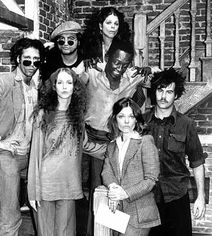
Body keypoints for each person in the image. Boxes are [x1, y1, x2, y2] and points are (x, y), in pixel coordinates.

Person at [79, 39, 153, 236]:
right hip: (90, 141)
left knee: (118, 194)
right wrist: (81, 65)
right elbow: (66, 83)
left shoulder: (132, 78)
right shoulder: (93, 74)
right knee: (97, 194)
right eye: (116, 62)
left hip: (116, 143)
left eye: (125, 64)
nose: (119, 69)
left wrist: (148, 69)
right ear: (107, 58)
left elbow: (163, 83)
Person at [0, 37, 45, 236]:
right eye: (27, 60)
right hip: (7, 157)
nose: (32, 65)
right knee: (10, 216)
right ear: (17, 59)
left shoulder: (35, 86)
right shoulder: (4, 81)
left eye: (36, 61)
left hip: (28, 155)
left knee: (42, 203)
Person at [27, 68, 106, 236]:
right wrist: (32, 192)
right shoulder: (43, 115)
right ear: (54, 86)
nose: (64, 86)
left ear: (74, 87)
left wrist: (112, 150)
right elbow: (34, 155)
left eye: (69, 82)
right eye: (60, 82)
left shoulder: (78, 116)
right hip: (45, 185)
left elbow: (84, 145)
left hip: (68, 185)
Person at [144, 68, 206, 236]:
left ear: (176, 95)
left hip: (177, 197)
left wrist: (201, 197)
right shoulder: (142, 122)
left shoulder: (187, 124)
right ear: (154, 92)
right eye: (160, 90)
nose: (163, 96)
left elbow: (197, 162)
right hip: (147, 198)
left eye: (169, 91)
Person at [102, 97, 161, 236]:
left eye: (131, 116)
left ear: (137, 119)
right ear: (115, 119)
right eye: (121, 116)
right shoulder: (111, 145)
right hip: (117, 212)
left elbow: (151, 180)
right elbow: (106, 172)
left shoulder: (145, 141)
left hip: (140, 213)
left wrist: (125, 193)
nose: (126, 121)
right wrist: (113, 188)